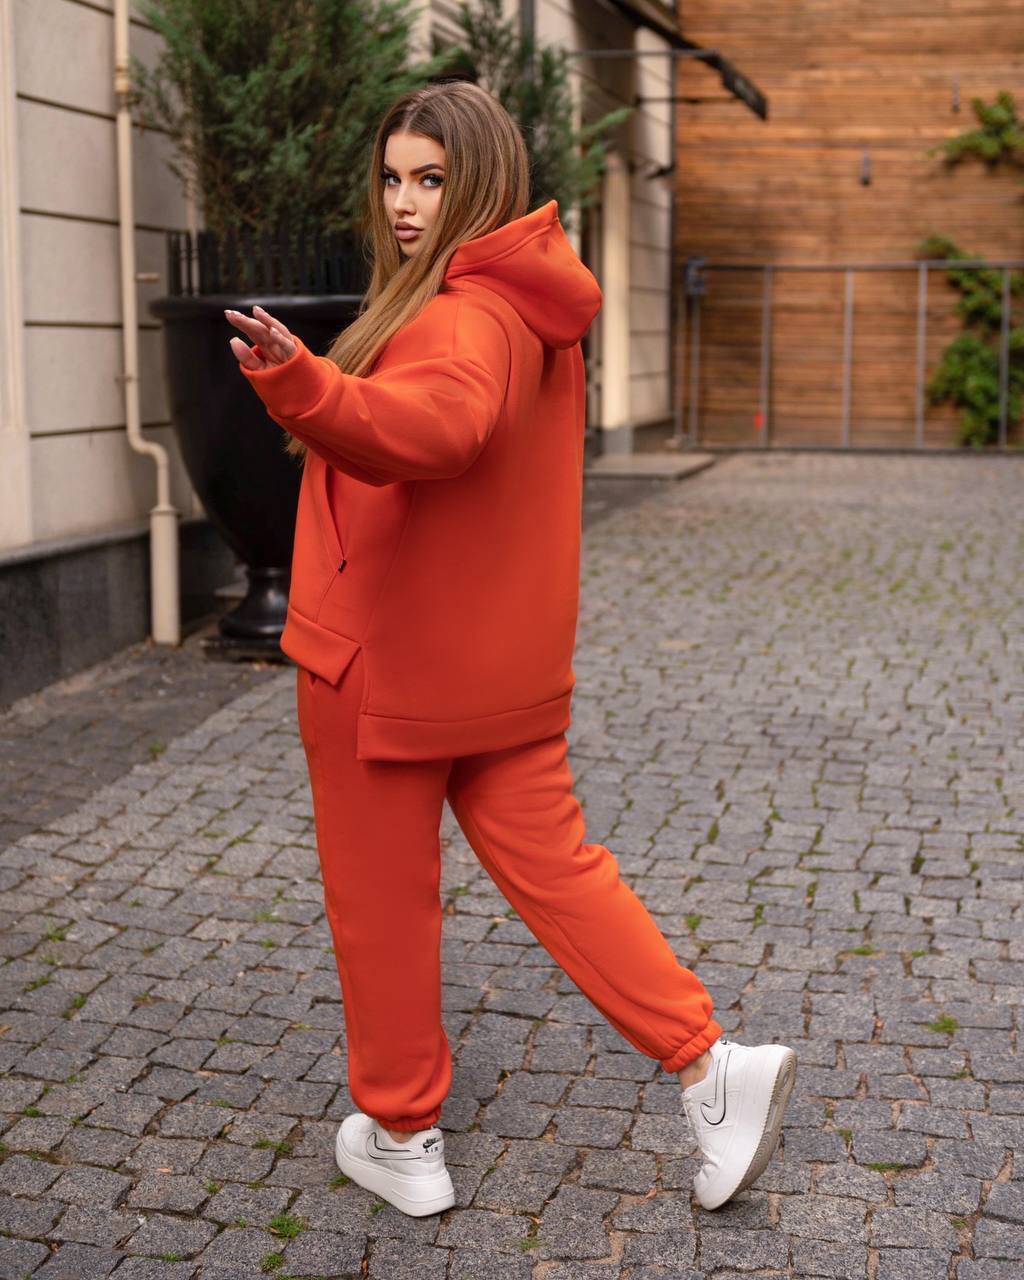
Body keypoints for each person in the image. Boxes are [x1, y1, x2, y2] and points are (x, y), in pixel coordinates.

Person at [226, 80, 795, 1219]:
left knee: (383, 906)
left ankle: (401, 1133)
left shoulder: (462, 316)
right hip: (499, 670)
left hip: (384, 668)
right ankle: (708, 1063)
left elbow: (438, 428)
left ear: (479, 179)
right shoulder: (531, 303)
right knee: (562, 872)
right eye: (392, 177)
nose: (403, 202)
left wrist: (304, 384)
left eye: (431, 179)